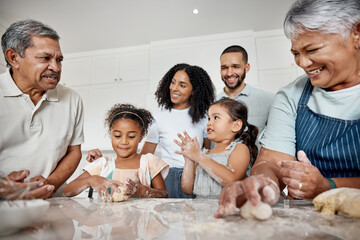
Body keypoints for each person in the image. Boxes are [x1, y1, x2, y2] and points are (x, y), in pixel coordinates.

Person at [215, 0, 360, 218]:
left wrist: (329, 186)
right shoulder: (291, 95)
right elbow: (271, 162)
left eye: (312, 49)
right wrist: (262, 183)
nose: (302, 63)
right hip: (309, 221)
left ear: (356, 34)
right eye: (295, 53)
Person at [87, 63, 215, 198]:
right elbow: (142, 156)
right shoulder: (158, 117)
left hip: (195, 176)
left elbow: (208, 152)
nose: (174, 88)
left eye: (182, 85)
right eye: (173, 82)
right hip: (168, 177)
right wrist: (104, 163)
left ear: (194, 90)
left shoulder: (206, 118)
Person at [0, 19, 84, 198]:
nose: (56, 67)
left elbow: (73, 151)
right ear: (13, 58)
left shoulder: (72, 99)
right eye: (45, 58)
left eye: (59, 60)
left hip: (54, 203)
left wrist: (49, 185)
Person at [64, 104, 169, 200]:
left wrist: (143, 191)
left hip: (142, 220)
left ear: (140, 137)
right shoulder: (103, 164)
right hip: (107, 220)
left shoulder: (149, 162)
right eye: (118, 136)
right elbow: (67, 191)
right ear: (111, 135)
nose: (124, 142)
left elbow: (164, 195)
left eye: (131, 136)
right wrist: (91, 180)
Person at [175, 98, 258, 198]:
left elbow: (231, 180)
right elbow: (188, 189)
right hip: (200, 211)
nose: (209, 123)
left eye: (216, 117)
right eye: (209, 118)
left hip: (226, 210)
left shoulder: (239, 148)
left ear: (236, 125)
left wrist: (199, 156)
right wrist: (189, 160)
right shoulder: (204, 154)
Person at [217, 45, 274, 136]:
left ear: (246, 68)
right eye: (224, 68)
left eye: (235, 67)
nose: (229, 73)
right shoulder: (210, 103)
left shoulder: (269, 100)